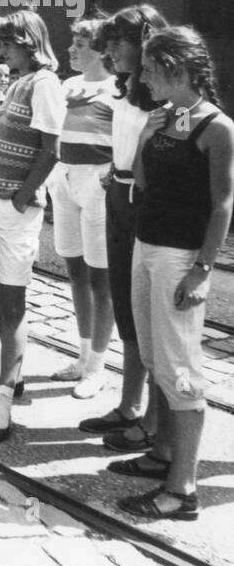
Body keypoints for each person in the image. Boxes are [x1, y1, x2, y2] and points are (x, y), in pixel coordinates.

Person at [112, 27, 234, 520]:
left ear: (177, 70)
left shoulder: (216, 128)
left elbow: (224, 204)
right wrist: (145, 136)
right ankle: (164, 453)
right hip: (148, 245)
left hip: (180, 257)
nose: (141, 77)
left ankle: (182, 490)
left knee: (181, 369)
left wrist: (202, 269)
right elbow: (143, 182)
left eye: (149, 69)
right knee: (157, 356)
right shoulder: (165, 119)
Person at [0, 10, 66, 443]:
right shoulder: (18, 82)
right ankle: (12, 373)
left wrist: (23, 195)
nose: (0, 52)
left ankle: (5, 401)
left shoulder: (45, 84)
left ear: (26, 41)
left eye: (6, 44)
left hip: (13, 208)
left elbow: (51, 149)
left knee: (13, 302)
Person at [80, 4, 169, 453]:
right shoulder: (126, 88)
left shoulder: (163, 96)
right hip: (117, 196)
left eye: (118, 42)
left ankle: (153, 420)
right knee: (125, 305)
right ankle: (129, 404)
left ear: (144, 43)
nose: (110, 50)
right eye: (108, 42)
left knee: (148, 312)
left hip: (143, 203)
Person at [49, 17, 116, 400]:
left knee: (100, 278)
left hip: (97, 181)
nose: (71, 49)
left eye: (81, 44)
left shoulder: (116, 89)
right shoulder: (67, 86)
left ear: (103, 50)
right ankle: (82, 355)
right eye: (72, 42)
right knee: (74, 270)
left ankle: (96, 367)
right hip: (65, 177)